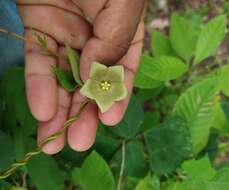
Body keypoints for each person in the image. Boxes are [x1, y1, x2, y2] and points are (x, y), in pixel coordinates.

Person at [0, 0, 146, 154]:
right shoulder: (102, 75)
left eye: (105, 86)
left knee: (13, 45)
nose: (105, 85)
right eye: (106, 85)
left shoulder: (106, 85)